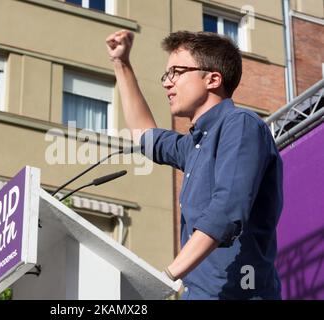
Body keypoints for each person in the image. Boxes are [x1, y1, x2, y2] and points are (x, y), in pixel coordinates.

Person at [105, 30, 283, 300]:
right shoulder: (193, 146)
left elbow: (225, 212)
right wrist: (121, 63)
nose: (168, 83)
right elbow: (144, 135)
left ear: (212, 79)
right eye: (167, 75)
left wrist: (164, 277)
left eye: (177, 72)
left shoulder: (241, 125)